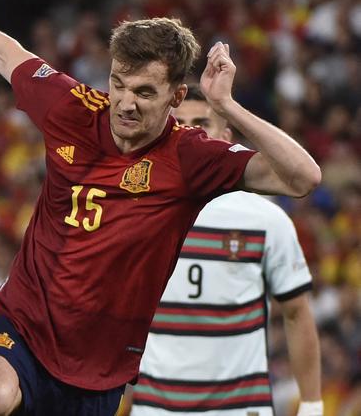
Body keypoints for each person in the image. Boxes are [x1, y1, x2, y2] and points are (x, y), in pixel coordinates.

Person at [0, 0, 321, 416]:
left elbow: (302, 178)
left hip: (99, 367)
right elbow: (1, 51)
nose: (124, 103)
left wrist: (227, 107)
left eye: (144, 92)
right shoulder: (73, 108)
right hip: (22, 325)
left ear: (177, 96)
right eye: (118, 83)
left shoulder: (191, 158)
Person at [127, 86, 322, 416]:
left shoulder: (265, 219)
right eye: (178, 123)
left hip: (241, 408)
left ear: (224, 135)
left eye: (201, 124)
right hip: (154, 407)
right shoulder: (136, 214)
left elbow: (296, 312)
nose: (188, 132)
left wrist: (312, 405)